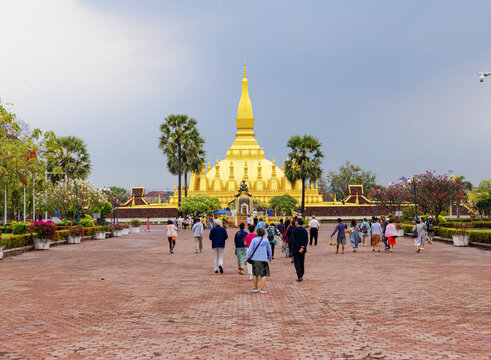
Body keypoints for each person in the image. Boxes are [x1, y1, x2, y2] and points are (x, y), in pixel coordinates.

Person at [245, 227, 272, 293]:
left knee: (255, 274)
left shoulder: (254, 240)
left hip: (255, 259)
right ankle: (262, 289)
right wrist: (270, 257)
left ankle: (255, 287)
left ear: (257, 233)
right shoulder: (266, 240)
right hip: (263, 259)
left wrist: (247, 257)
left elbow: (250, 250)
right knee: (263, 275)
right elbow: (269, 250)